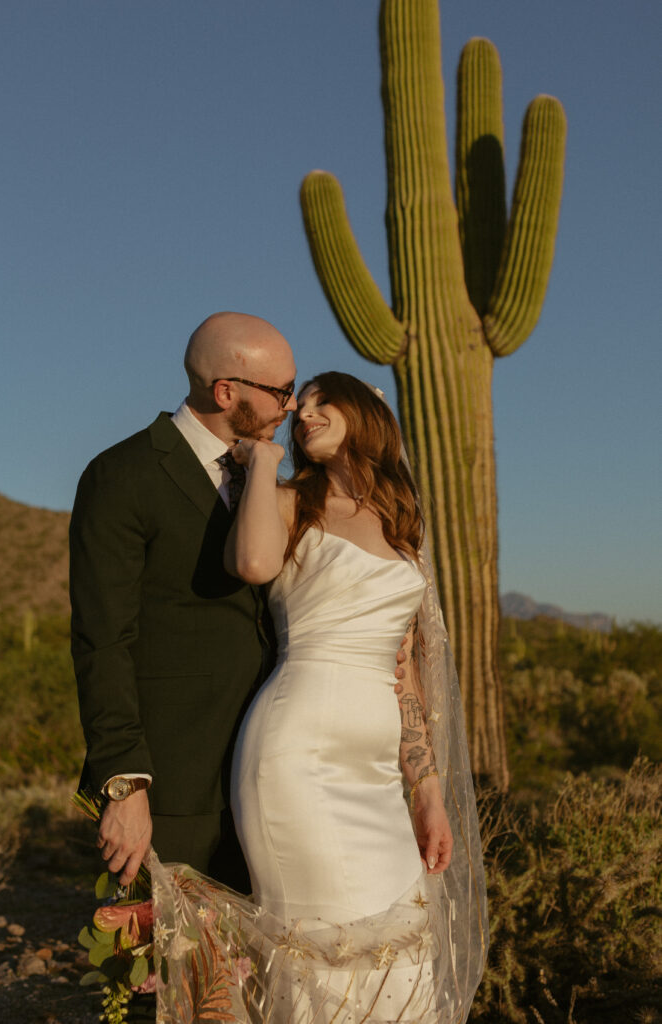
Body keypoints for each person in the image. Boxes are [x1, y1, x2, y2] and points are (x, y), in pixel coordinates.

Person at [151, 373, 487, 1023]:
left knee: (404, 950)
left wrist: (426, 791)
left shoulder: (400, 527)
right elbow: (250, 563)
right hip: (295, 753)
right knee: (321, 948)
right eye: (295, 408)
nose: (302, 415)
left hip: (378, 775)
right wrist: (265, 463)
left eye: (318, 402)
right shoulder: (285, 500)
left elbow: (406, 672)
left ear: (362, 413)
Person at [70, 312, 297, 1020]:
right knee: (156, 985)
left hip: (267, 772)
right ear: (226, 389)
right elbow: (103, 639)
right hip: (171, 778)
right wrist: (123, 784)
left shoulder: (275, 480)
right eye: (283, 390)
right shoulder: (122, 475)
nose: (292, 405)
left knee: (246, 988)